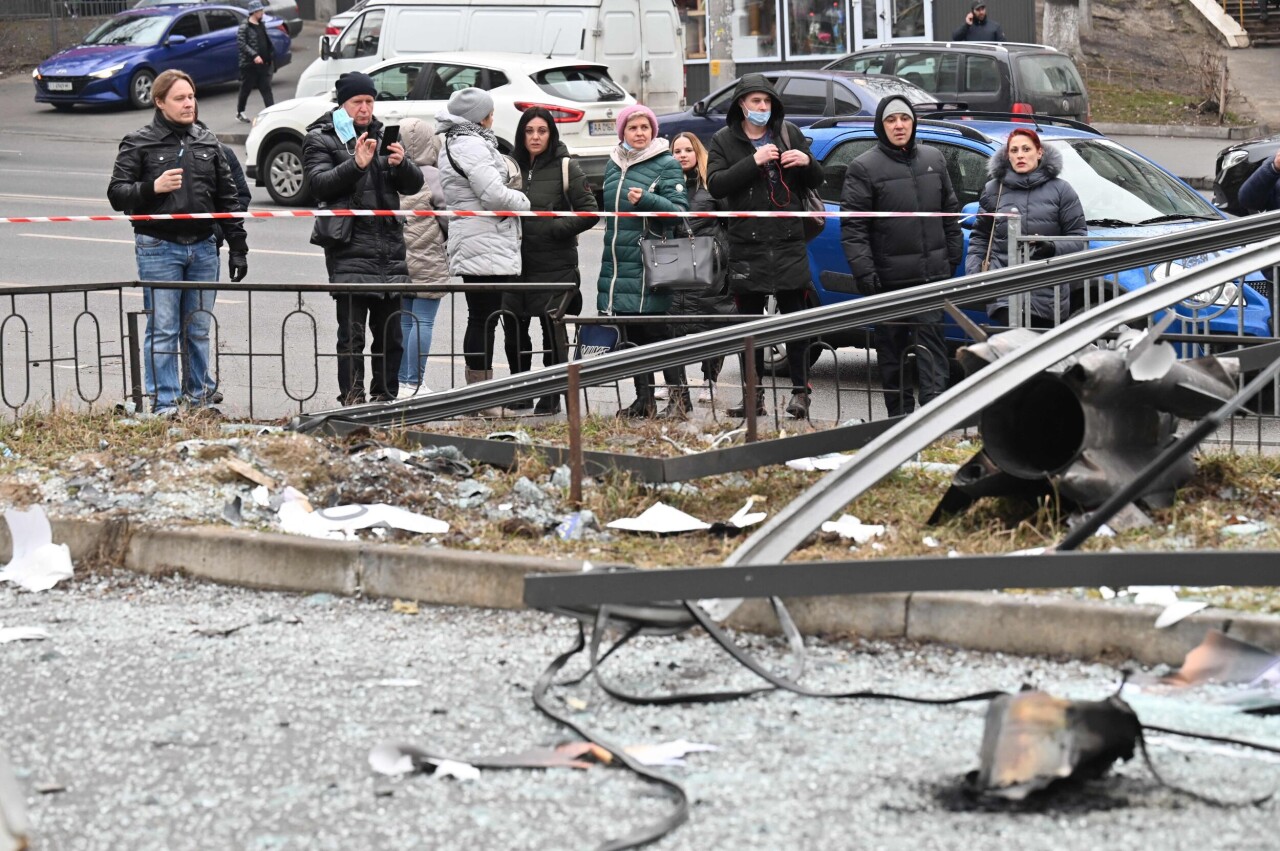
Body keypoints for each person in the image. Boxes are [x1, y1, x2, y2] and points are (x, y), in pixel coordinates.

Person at [108, 69, 248, 418]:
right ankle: (164, 404)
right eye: (180, 98)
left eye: (192, 96)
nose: (189, 104)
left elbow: (228, 199)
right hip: (159, 245)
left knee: (199, 328)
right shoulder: (138, 141)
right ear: (159, 102)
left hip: (202, 248)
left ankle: (199, 399)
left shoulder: (207, 141)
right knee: (164, 328)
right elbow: (116, 193)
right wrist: (151, 188)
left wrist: (238, 247)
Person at [706, 74, 824, 420]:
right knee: (749, 325)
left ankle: (801, 394)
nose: (761, 107)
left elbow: (816, 180)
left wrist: (807, 162)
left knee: (795, 321)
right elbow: (716, 184)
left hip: (788, 242)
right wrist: (753, 162)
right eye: (755, 101)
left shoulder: (789, 133)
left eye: (766, 101)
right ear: (741, 104)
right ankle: (752, 395)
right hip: (747, 244)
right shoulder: (723, 140)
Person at [302, 71, 423, 406]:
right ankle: (353, 401)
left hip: (389, 252)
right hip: (350, 250)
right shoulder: (321, 138)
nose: (365, 108)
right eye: (358, 102)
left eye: (370, 101)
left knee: (391, 337)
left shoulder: (382, 133)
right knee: (352, 338)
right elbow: (318, 185)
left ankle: (385, 399)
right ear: (343, 104)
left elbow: (412, 186)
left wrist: (403, 165)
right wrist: (355, 164)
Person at [840, 96, 962, 418]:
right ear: (881, 124)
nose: (899, 125)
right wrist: (866, 273)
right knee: (892, 356)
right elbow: (854, 228)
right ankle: (899, 419)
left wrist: (952, 255)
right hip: (888, 281)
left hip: (931, 278)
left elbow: (949, 213)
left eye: (904, 119)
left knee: (933, 352)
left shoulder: (933, 158)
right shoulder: (863, 167)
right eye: (891, 120)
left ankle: (934, 419)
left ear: (913, 123)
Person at [436, 87, 530, 402]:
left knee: (482, 316)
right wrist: (523, 201)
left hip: (477, 237)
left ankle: (480, 393)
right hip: (484, 238)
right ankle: (481, 396)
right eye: (489, 113)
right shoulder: (472, 145)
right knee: (484, 317)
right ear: (480, 117)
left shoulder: (458, 140)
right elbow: (493, 195)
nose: (492, 118)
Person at [596, 104, 689, 419]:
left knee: (657, 335)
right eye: (633, 128)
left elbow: (679, 212)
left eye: (644, 128)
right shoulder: (613, 165)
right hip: (618, 263)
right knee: (633, 336)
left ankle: (679, 400)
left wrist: (647, 200)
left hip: (652, 262)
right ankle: (644, 400)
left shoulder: (666, 164)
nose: (639, 133)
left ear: (653, 131)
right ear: (623, 132)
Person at [508, 106, 599, 415]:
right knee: (514, 329)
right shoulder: (509, 166)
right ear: (522, 134)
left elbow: (589, 210)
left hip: (555, 265)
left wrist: (556, 228)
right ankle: (521, 390)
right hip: (516, 264)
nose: (535, 137)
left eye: (542, 131)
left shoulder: (566, 166)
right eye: (530, 131)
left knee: (551, 331)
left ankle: (552, 392)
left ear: (551, 134)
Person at [966, 128, 1087, 327]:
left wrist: (1052, 247)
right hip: (1004, 295)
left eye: (1026, 149)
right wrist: (975, 277)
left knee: (1043, 356)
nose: (1020, 155)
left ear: (1039, 153)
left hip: (1047, 296)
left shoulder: (1062, 190)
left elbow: (1080, 238)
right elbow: (980, 237)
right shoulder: (993, 190)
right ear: (1007, 156)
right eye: (1014, 150)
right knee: (1012, 353)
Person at [670, 131, 736, 410]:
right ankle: (674, 384)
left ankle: (710, 381)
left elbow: (731, 222)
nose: (682, 155)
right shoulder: (664, 185)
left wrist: (722, 255)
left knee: (710, 324)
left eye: (688, 150)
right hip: (673, 264)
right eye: (677, 151)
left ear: (698, 153)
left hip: (708, 264)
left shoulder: (712, 186)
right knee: (671, 325)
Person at [396, 117, 450, 400]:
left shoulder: (393, 171)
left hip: (400, 256)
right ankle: (415, 381)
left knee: (406, 321)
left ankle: (403, 382)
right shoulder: (433, 175)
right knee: (424, 321)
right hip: (428, 254)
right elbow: (446, 215)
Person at [235, 0, 275, 123]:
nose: (262, 12)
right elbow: (241, 44)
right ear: (254, 12)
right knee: (246, 88)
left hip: (263, 64)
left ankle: (272, 112)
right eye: (260, 11)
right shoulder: (245, 27)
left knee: (266, 88)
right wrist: (254, 55)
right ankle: (240, 112)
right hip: (249, 65)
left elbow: (264, 41)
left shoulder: (261, 24)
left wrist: (270, 54)